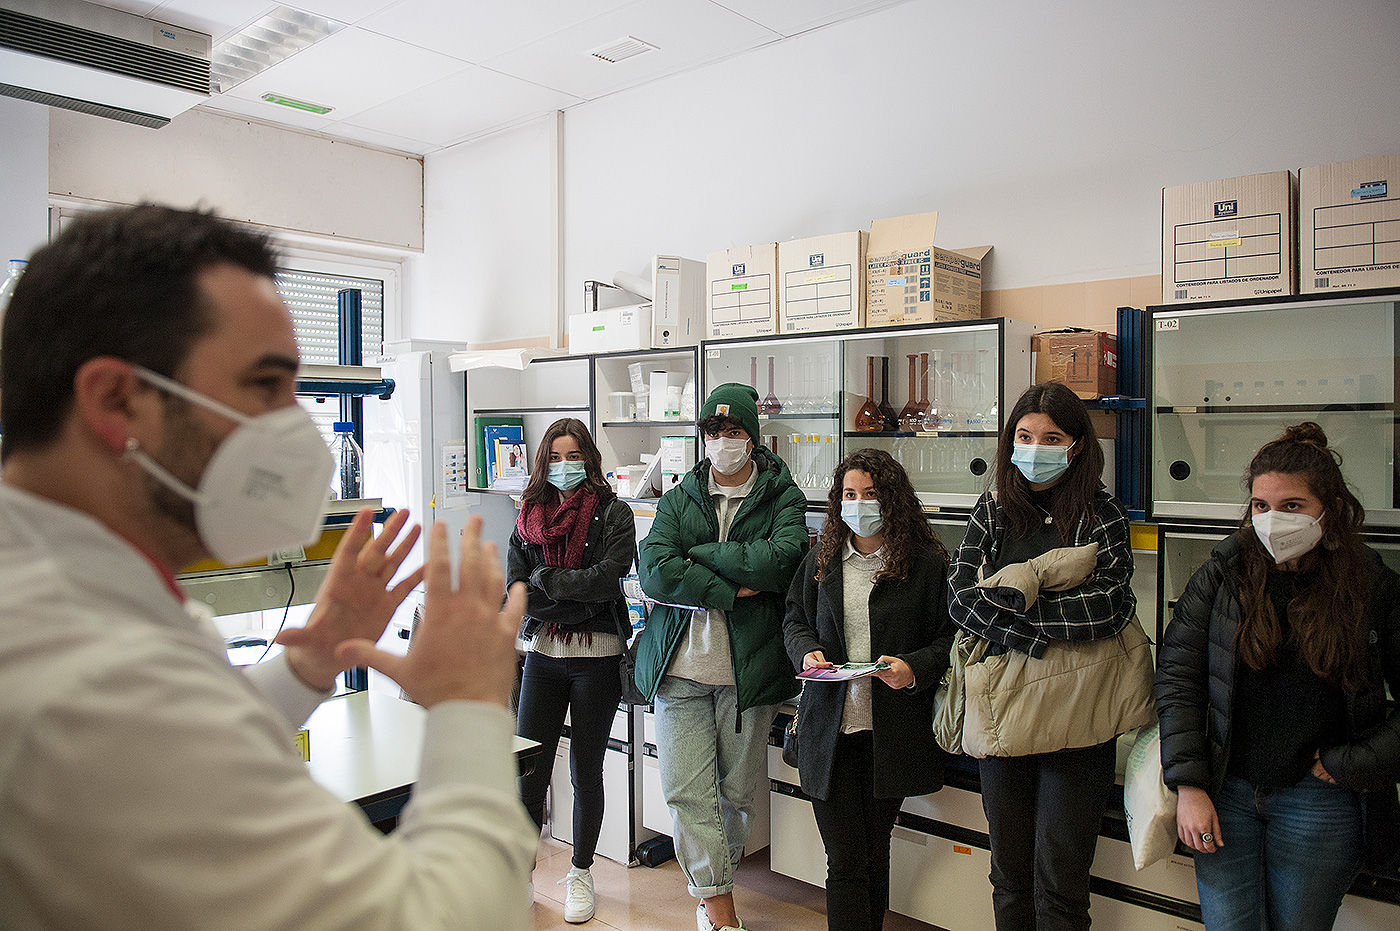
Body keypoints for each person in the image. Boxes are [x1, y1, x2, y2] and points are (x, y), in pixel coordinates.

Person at [0, 204, 536, 931]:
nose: (297, 424)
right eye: (265, 385)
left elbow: (189, 754)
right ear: (115, 399)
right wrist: (470, 704)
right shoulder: (92, 683)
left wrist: (310, 662)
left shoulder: (69, 589)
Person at [1155, 422, 1400, 931]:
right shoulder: (1224, 572)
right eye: (1260, 506)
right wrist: (1189, 786)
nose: (1272, 520)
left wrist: (1357, 763)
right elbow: (1179, 676)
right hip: (1226, 795)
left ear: (1329, 510)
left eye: (1292, 506)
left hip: (1319, 802)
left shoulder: (1371, 583)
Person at [946, 381, 1137, 931]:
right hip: (1001, 719)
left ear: (1076, 444)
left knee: (1061, 885)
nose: (1033, 447)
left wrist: (1011, 616)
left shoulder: (1102, 513)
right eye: (1024, 436)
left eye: (1050, 437)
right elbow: (961, 597)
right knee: (1009, 877)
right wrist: (1043, 632)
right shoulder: (994, 508)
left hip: (1079, 722)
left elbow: (1107, 607)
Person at [635, 382, 808, 931]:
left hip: (746, 672)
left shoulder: (783, 496)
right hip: (679, 668)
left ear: (752, 438)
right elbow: (654, 569)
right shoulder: (680, 496)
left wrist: (702, 557)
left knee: (735, 795)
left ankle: (714, 884)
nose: (723, 440)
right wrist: (730, 590)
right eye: (714, 431)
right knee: (685, 790)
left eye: (733, 431)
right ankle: (719, 909)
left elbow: (781, 564)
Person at [782, 448, 954, 931]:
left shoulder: (924, 564)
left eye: (871, 494)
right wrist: (807, 653)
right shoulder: (822, 559)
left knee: (875, 855)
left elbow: (949, 638)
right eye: (849, 495)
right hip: (829, 732)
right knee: (844, 859)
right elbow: (795, 619)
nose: (858, 504)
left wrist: (913, 667)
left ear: (893, 500)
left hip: (890, 732)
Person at [507, 417, 637, 923]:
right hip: (542, 656)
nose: (565, 466)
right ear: (544, 462)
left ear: (589, 459)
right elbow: (519, 590)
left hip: (598, 659)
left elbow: (609, 580)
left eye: (574, 456)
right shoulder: (526, 517)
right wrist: (570, 596)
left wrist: (550, 585)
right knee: (528, 775)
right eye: (555, 457)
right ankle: (520, 875)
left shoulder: (613, 512)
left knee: (587, 771)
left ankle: (581, 875)